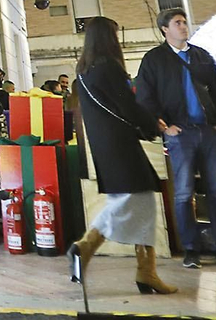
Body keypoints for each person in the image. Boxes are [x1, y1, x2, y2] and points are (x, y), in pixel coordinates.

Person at [134, 8, 216, 269]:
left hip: (207, 132)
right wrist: (163, 126)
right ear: (165, 29)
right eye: (177, 23)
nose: (183, 26)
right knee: (183, 193)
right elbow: (144, 95)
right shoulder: (154, 60)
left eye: (184, 21)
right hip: (180, 134)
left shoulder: (201, 56)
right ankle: (191, 250)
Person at [67, 16, 175, 295]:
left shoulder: (84, 71)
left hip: (105, 148)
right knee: (136, 199)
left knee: (137, 202)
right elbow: (128, 105)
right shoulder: (109, 68)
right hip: (121, 146)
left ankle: (146, 271)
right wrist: (154, 125)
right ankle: (86, 246)